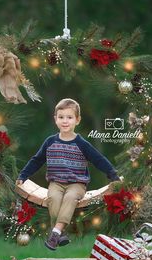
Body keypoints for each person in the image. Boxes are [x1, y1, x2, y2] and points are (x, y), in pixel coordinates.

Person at [16, 98, 120, 250]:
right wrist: (23, 175)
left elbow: (99, 160)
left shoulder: (81, 144)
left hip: (76, 184)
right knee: (53, 198)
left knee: (70, 198)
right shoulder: (50, 142)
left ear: (77, 120)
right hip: (56, 183)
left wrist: (113, 175)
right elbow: (37, 160)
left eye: (69, 117)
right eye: (61, 117)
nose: (65, 121)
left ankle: (55, 232)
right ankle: (60, 233)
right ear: (55, 119)